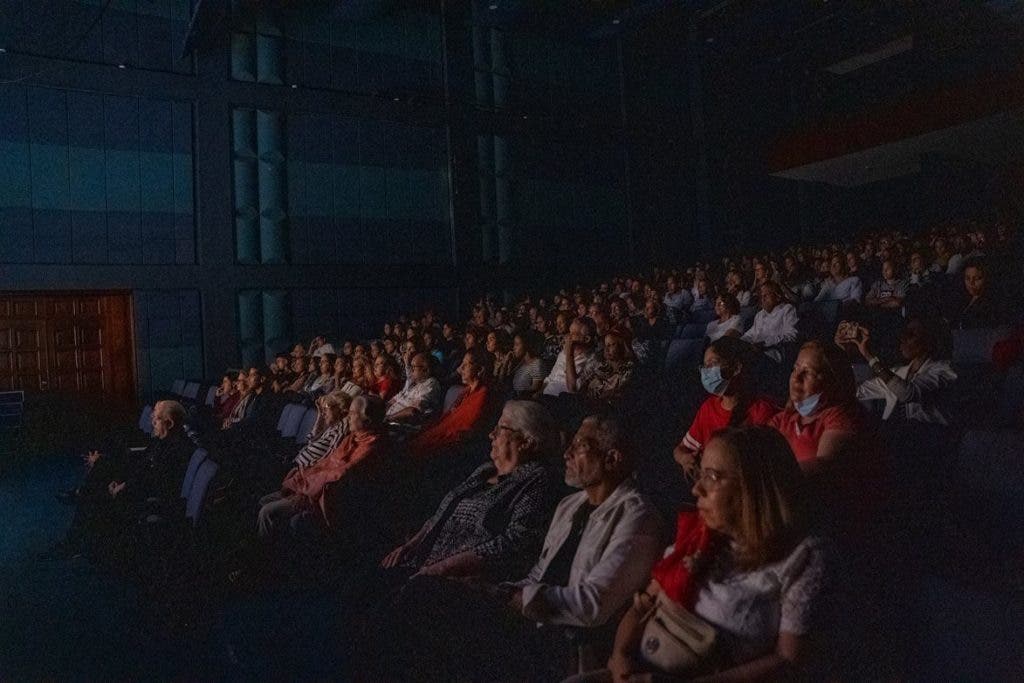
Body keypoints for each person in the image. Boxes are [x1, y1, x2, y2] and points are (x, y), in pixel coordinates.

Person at [365, 415, 664, 682]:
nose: (567, 454)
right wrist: (489, 589)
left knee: (423, 600)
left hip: (561, 641)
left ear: (611, 459)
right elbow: (539, 572)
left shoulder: (637, 516)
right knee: (409, 600)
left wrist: (506, 595)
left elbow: (593, 605)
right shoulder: (570, 505)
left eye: (580, 446)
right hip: (528, 617)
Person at [588, 426, 828, 683]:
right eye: (699, 475)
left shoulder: (802, 557)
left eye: (712, 477)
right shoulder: (699, 535)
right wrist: (621, 656)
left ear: (754, 487)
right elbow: (643, 604)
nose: (696, 490)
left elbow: (788, 661)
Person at [378, 400, 562, 581]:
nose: (491, 434)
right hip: (420, 561)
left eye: (500, 429)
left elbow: (516, 541)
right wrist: (411, 545)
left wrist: (442, 568)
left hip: (454, 579)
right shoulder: (484, 470)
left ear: (526, 442)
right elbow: (442, 513)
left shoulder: (536, 479)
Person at [54, 401, 197, 559]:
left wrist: (124, 486)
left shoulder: (176, 450)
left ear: (169, 423)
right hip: (138, 487)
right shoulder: (162, 440)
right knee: (100, 474)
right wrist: (120, 480)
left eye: (156, 418)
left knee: (93, 492)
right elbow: (141, 465)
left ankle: (75, 540)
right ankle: (77, 536)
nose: (152, 422)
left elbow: (156, 482)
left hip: (149, 500)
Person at [256, 395, 388, 539]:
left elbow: (339, 475)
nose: (348, 417)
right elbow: (325, 463)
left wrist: (306, 493)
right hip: (313, 488)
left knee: (267, 512)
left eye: (352, 413)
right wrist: (301, 479)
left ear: (367, 419)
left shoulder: (371, 447)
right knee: (264, 500)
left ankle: (266, 556)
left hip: (327, 500)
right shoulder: (352, 438)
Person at [673, 337, 778, 473]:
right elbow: (680, 449)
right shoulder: (709, 407)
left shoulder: (763, 411)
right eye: (704, 366)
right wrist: (685, 459)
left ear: (736, 367)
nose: (706, 372)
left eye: (712, 364)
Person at [840, 319, 957, 424]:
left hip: (929, 437)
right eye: (904, 333)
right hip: (895, 435)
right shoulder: (898, 372)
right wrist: (842, 354)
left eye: (911, 335)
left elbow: (908, 393)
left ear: (929, 340)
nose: (903, 339)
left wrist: (868, 355)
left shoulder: (945, 370)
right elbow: (857, 391)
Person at [769, 340, 863, 471]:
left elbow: (823, 467)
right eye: (795, 369)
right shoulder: (782, 420)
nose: (796, 377)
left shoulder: (841, 416)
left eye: (808, 372)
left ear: (832, 381)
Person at [407, 348, 495, 458]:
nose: (461, 368)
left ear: (480, 370)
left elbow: (464, 431)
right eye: (462, 363)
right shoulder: (466, 392)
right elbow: (448, 419)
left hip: (447, 448)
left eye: (466, 364)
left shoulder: (483, 395)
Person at [741, 282, 799, 363]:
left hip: (772, 352)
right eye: (761, 296)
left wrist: (765, 343)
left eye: (766, 295)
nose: (763, 299)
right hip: (754, 350)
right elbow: (750, 334)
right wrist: (740, 343)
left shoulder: (787, 309)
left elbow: (791, 335)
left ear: (778, 297)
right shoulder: (760, 314)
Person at [292, 392, 352, 468]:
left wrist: (301, 470)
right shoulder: (332, 427)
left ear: (338, 408)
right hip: (296, 462)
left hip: (302, 469)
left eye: (325, 409)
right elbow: (311, 439)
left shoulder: (341, 429)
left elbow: (328, 459)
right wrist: (320, 414)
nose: (323, 413)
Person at [543, 317, 598, 397]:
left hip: (563, 402)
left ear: (586, 339)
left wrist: (569, 353)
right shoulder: (563, 353)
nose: (568, 337)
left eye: (573, 334)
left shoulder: (592, 360)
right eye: (569, 332)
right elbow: (550, 378)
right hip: (545, 396)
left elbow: (573, 388)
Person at [385, 352, 443, 425]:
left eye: (413, 366)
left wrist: (389, 418)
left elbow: (413, 411)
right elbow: (393, 401)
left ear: (425, 370)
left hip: (401, 426)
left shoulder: (431, 384)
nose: (411, 369)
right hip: (389, 420)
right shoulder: (415, 383)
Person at [947, 259, 1003, 329]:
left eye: (977, 278)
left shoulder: (991, 305)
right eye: (967, 278)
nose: (971, 283)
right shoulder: (962, 298)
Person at [509, 330, 547, 398]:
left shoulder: (537, 363)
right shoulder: (521, 363)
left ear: (526, 345)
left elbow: (535, 389)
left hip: (524, 401)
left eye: (517, 344)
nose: (514, 348)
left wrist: (520, 395)